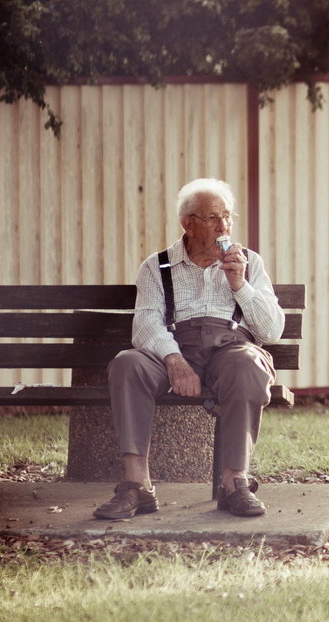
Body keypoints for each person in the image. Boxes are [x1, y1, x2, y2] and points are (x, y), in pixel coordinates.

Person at [94, 178, 284, 519]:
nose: (223, 226)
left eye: (227, 216)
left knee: (248, 365)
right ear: (188, 224)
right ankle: (137, 486)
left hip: (231, 348)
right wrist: (174, 360)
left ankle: (234, 481)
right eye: (212, 218)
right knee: (127, 364)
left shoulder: (250, 263)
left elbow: (271, 331)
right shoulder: (158, 265)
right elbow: (146, 324)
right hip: (174, 347)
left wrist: (239, 284)